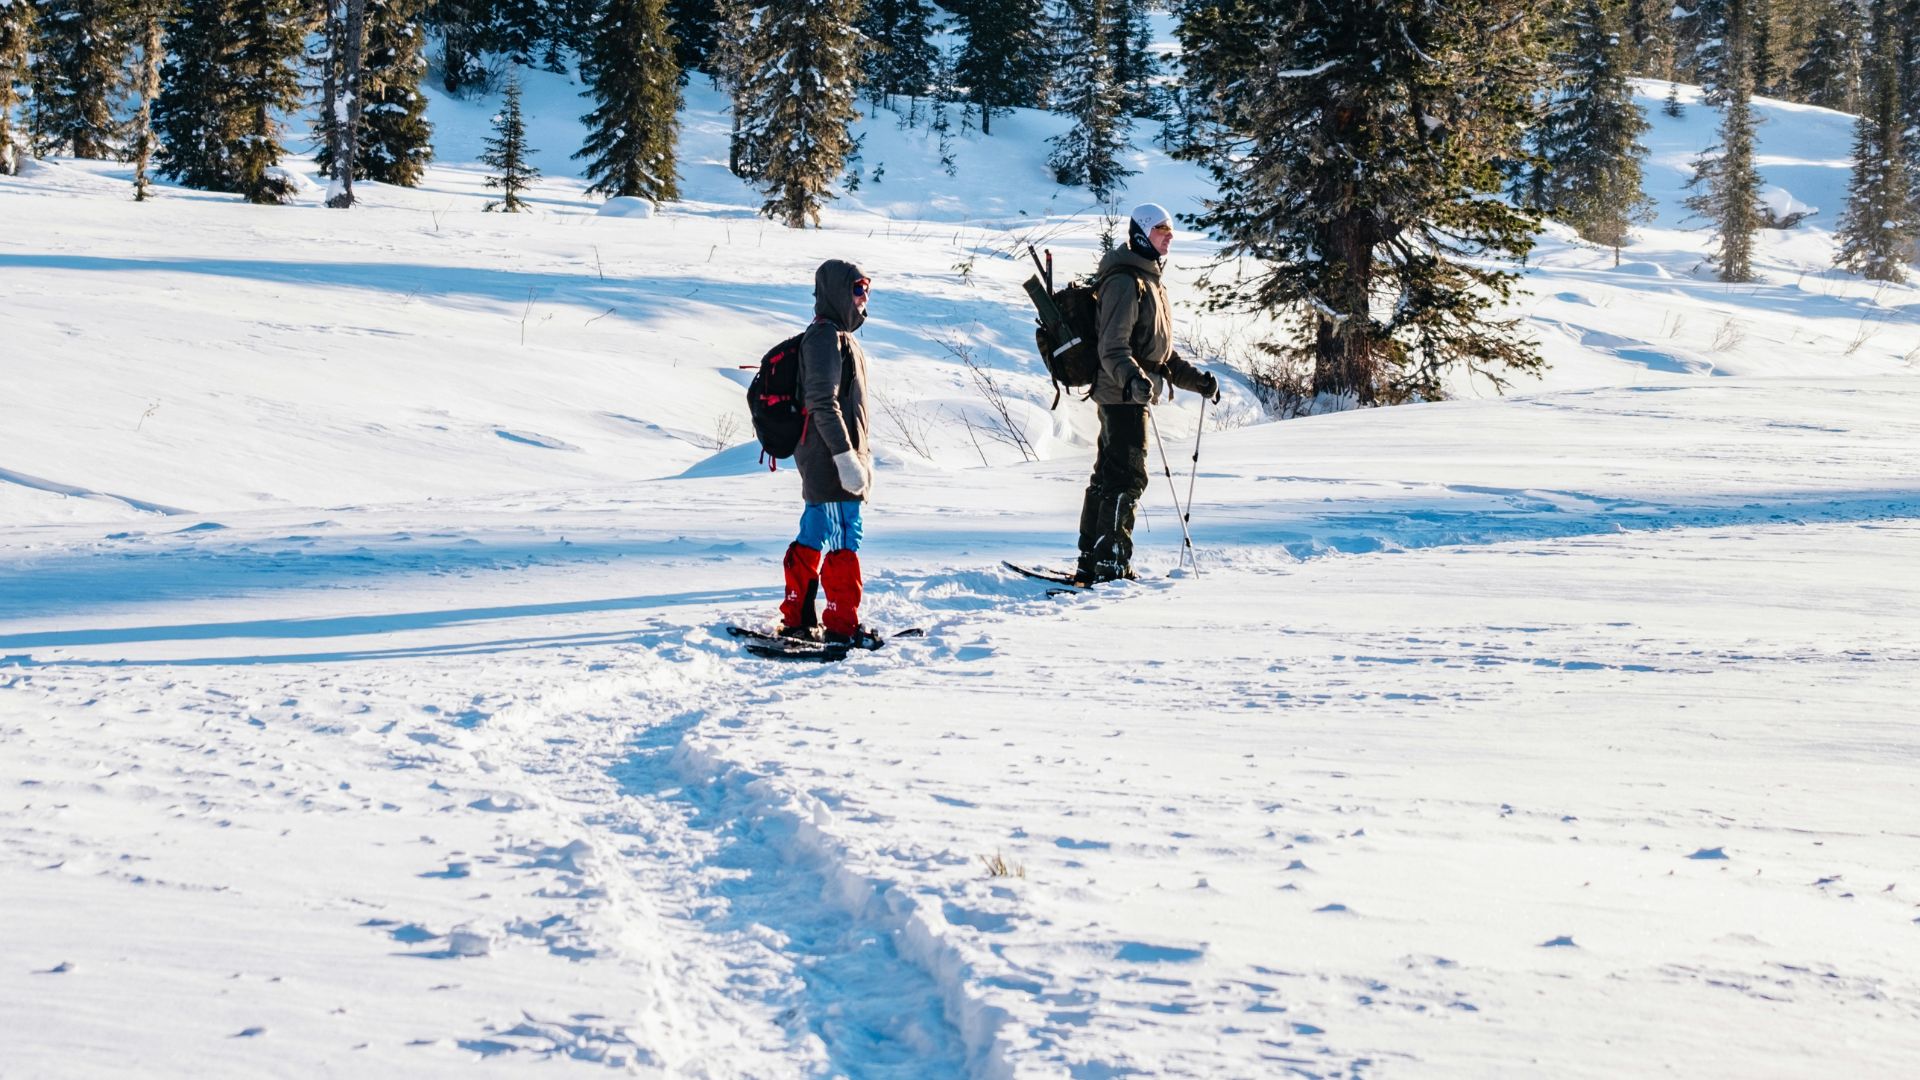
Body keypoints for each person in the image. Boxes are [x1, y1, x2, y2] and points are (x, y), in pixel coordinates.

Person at [1076, 203, 1219, 586]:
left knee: (1109, 477)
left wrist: (1198, 382)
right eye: (1160, 229)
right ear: (1141, 232)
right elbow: (1112, 348)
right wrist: (1133, 380)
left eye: (1170, 230)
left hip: (1129, 393)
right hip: (1121, 396)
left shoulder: (1150, 280)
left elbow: (1161, 354)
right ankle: (1111, 565)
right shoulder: (1125, 282)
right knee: (1127, 479)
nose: (1169, 236)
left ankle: (1092, 560)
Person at [779, 259, 876, 644]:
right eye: (857, 289)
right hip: (831, 464)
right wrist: (845, 459)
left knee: (815, 529)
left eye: (866, 289)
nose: (864, 297)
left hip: (827, 460)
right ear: (837, 292)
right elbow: (822, 402)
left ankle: (797, 616)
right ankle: (841, 625)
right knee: (844, 537)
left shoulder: (836, 336)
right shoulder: (824, 338)